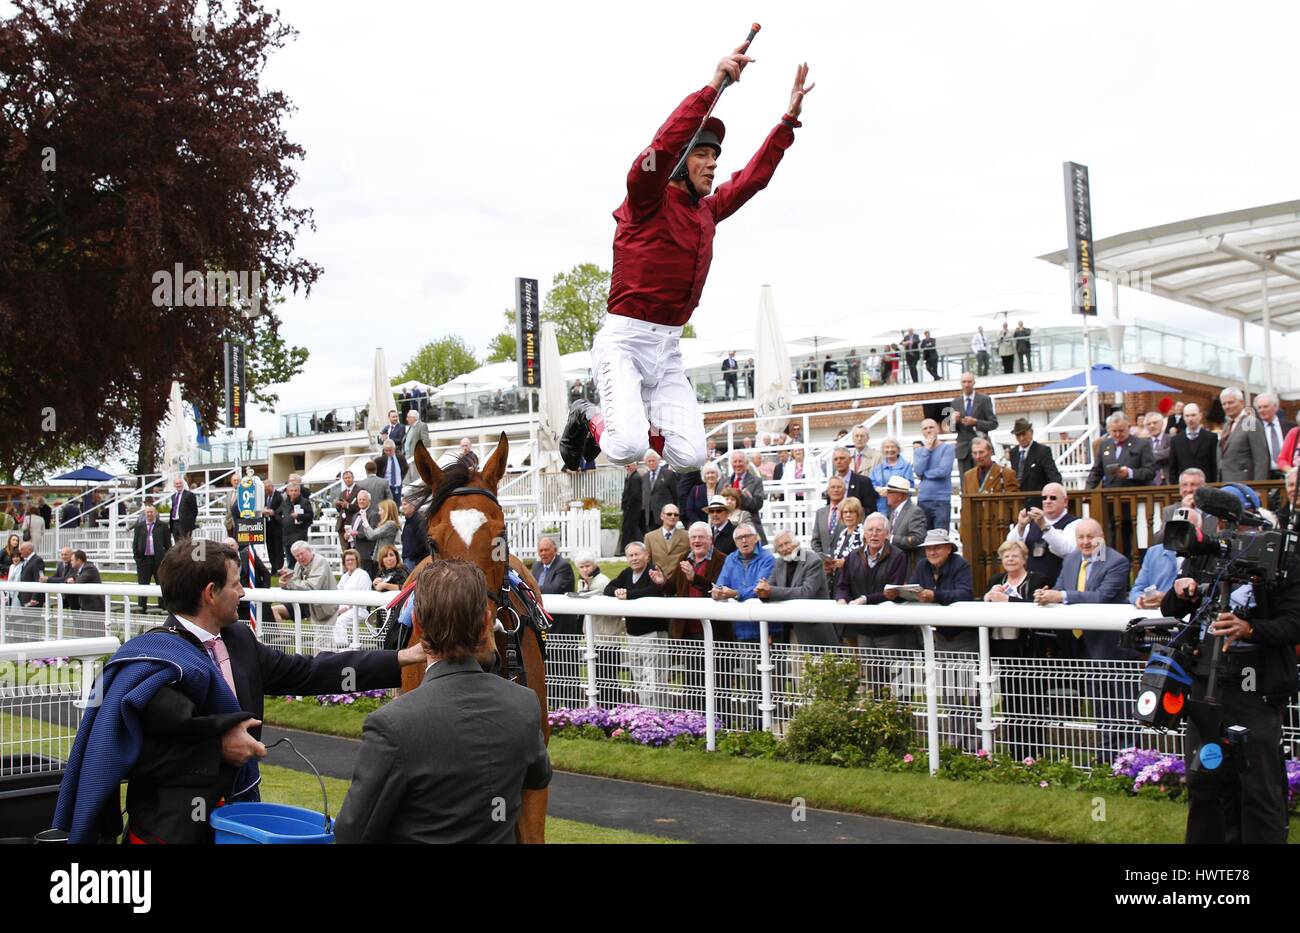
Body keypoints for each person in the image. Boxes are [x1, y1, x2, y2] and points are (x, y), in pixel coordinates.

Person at [53, 541, 426, 844]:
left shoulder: (238, 640)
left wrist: (401, 658)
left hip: (238, 824)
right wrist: (214, 749)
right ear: (211, 593)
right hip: (170, 832)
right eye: (236, 583)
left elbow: (311, 671)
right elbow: (135, 756)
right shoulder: (154, 663)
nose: (243, 591)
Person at [561, 48, 814, 488]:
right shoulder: (645, 198)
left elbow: (753, 178)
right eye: (704, 155)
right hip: (624, 341)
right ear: (680, 160)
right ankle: (588, 413)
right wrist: (716, 84)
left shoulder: (707, 212)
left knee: (691, 456)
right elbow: (662, 143)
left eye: (716, 155)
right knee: (626, 448)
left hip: (668, 351)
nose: (714, 162)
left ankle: (634, 418)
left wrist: (786, 125)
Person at [334, 560, 548, 844]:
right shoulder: (523, 703)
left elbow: (352, 834)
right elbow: (537, 777)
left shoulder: (390, 725)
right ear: (486, 622)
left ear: (419, 626)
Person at [1160, 499, 1300, 844]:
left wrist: (1249, 629)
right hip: (1206, 684)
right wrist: (1180, 592)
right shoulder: (1208, 552)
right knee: (1204, 781)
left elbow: (1294, 624)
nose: (1235, 537)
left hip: (1256, 687)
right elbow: (1171, 608)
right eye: (1228, 528)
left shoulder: (1284, 561)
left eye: (1246, 531)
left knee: (1258, 785)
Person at [605, 542, 668, 707]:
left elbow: (653, 592)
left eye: (637, 554)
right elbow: (608, 588)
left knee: (655, 680)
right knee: (639, 678)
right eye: (630, 555)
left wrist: (628, 594)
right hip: (633, 635)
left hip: (653, 634)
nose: (634, 558)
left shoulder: (653, 571)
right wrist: (617, 592)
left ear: (646, 555)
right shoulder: (626, 573)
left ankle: (658, 717)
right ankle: (645, 717)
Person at [835, 513, 910, 649]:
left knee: (892, 669)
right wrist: (841, 599)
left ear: (887, 534)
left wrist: (865, 599)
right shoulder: (853, 556)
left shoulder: (898, 556)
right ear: (864, 533)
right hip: (862, 627)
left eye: (879, 530)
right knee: (869, 669)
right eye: (870, 530)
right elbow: (842, 585)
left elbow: (893, 591)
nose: (874, 534)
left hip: (889, 629)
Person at [755, 530, 837, 646]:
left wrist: (771, 591)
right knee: (794, 664)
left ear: (796, 543)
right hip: (789, 628)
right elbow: (770, 587)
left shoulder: (813, 560)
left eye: (787, 543)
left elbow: (806, 592)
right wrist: (762, 591)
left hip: (813, 628)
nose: (784, 548)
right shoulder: (779, 563)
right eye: (780, 546)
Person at [900, 529, 974, 649]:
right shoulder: (922, 565)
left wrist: (935, 596)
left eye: (937, 548)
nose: (932, 552)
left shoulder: (961, 564)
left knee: (964, 667)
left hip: (962, 633)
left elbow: (965, 594)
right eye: (928, 549)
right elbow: (912, 589)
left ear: (949, 549)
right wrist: (898, 593)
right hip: (935, 633)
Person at [1006, 482, 1078, 584]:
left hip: (1058, 585)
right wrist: (1020, 526)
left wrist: (1044, 525)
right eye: (1044, 498)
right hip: (1030, 586)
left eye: (1053, 498)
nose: (1047, 501)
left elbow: (1066, 549)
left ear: (1065, 501)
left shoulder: (1075, 523)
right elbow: (1010, 547)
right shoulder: (1030, 523)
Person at [273, 541, 338, 631]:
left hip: (324, 608)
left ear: (309, 551)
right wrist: (285, 582)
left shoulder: (320, 561)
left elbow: (312, 586)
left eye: (301, 554)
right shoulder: (298, 564)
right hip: (308, 605)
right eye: (297, 556)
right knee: (274, 610)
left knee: (322, 641)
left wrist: (290, 582)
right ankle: (284, 639)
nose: (300, 557)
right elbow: (295, 584)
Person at [1086, 412, 1156, 488]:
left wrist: (1130, 473)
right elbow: (1096, 471)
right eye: (1114, 431)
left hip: (1134, 493)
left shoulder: (1142, 444)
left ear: (1129, 427)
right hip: (1110, 494)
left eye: (1121, 431)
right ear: (1109, 430)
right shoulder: (1104, 445)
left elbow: (1150, 472)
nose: (1117, 434)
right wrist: (1087, 491)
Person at [949, 371, 998, 477]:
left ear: (974, 382)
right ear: (960, 383)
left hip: (981, 449)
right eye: (964, 382)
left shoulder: (984, 400)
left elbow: (994, 423)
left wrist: (976, 422)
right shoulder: (955, 403)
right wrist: (954, 421)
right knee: (965, 484)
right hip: (963, 450)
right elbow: (952, 429)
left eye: (969, 382)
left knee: (982, 480)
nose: (966, 385)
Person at [1218, 386, 1269, 482]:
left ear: (1241, 402)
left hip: (1245, 485)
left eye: (1230, 402)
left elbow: (1261, 459)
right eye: (1224, 404)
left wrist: (1259, 488)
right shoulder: (1227, 426)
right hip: (1226, 483)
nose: (1227, 406)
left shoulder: (1251, 422)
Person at [913, 418, 956, 531]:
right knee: (924, 537)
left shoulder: (947, 448)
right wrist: (926, 449)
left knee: (940, 536)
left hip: (941, 500)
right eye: (925, 428)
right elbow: (918, 471)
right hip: (923, 499)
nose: (928, 430)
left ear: (937, 429)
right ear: (922, 432)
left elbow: (943, 471)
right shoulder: (919, 451)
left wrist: (925, 474)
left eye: (931, 427)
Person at [878, 476, 927, 570]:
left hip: (908, 565)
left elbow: (918, 539)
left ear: (900, 496)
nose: (886, 495)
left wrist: (891, 538)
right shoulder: (893, 512)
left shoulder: (915, 512)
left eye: (889, 492)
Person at [132, 505, 171, 614]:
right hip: (144, 561)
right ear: (145, 514)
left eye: (151, 512)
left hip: (159, 561)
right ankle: (141, 608)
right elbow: (135, 544)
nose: (150, 514)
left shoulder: (162, 526)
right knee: (143, 585)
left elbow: (168, 545)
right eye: (148, 512)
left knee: (161, 584)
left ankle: (163, 608)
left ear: (155, 513)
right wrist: (137, 559)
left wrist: (166, 560)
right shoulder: (139, 526)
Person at [1007, 418, 1062, 496]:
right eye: (1018, 435)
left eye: (1024, 434)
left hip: (1037, 500)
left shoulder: (1042, 451)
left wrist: (1056, 495)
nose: (1021, 438)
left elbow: (1053, 476)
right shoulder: (1013, 453)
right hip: (1018, 501)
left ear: (1031, 432)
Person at [823, 496, 866, 594]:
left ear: (858, 514)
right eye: (845, 512)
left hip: (856, 582)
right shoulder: (842, 533)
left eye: (852, 512)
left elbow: (865, 559)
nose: (848, 515)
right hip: (838, 579)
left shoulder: (863, 532)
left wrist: (845, 563)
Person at [723, 448, 766, 542]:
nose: (737, 464)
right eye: (735, 462)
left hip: (749, 525)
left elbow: (758, 504)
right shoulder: (724, 482)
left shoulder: (756, 481)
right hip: (728, 527)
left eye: (740, 461)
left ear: (746, 463)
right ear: (731, 464)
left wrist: (741, 496)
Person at [334, 549, 373, 648]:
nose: (350, 562)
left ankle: (343, 649)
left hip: (359, 610)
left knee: (339, 621)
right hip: (344, 610)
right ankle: (336, 648)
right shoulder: (344, 577)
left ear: (357, 561)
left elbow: (363, 597)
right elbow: (338, 594)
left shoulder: (363, 575)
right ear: (344, 562)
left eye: (352, 559)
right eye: (347, 560)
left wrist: (346, 607)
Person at [1168, 402, 1218, 480]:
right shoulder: (1176, 440)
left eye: (1193, 415)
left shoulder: (1211, 438)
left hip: (1206, 485)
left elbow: (1214, 465)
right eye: (1187, 416)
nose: (1190, 419)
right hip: (1184, 487)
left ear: (1200, 416)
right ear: (1183, 417)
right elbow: (1173, 468)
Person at [866, 439, 914, 513]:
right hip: (882, 507)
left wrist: (892, 491)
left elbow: (909, 486)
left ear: (898, 450)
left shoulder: (906, 466)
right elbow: (870, 485)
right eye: (887, 447)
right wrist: (877, 489)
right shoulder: (877, 468)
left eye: (893, 447)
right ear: (882, 450)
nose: (890, 449)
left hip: (900, 506)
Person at [1253, 391, 1293, 477]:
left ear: (1275, 407)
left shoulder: (1290, 427)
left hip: (1289, 473)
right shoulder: (1254, 430)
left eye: (1265, 407)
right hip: (1266, 475)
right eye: (1259, 408)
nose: (1262, 410)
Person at [358, 499, 400, 578]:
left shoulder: (390, 524)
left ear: (387, 511)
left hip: (385, 558)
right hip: (379, 558)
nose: (379, 513)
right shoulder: (387, 524)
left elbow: (372, 535)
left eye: (381, 510)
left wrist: (365, 520)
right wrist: (365, 524)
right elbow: (370, 535)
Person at [640, 451, 678, 533]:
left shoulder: (668, 474)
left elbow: (675, 495)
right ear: (646, 463)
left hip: (664, 515)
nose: (651, 463)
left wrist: (675, 512)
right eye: (649, 461)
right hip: (650, 516)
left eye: (653, 460)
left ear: (658, 460)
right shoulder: (645, 477)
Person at [68, 549, 105, 614]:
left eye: (72, 560)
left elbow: (79, 581)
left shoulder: (90, 568)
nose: (71, 562)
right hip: (86, 604)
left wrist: (73, 580)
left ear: (79, 560)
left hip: (95, 606)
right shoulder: (77, 569)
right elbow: (67, 578)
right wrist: (71, 578)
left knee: (95, 624)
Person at [334, 470, 361, 552]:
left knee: (354, 551)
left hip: (353, 524)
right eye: (345, 478)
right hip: (342, 525)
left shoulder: (359, 490)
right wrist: (337, 505)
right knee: (345, 551)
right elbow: (340, 510)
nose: (347, 480)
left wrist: (348, 505)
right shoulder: (343, 493)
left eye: (349, 477)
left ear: (353, 478)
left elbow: (360, 507)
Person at [261, 481, 285, 574]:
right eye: (265, 488)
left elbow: (282, 508)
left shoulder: (279, 496)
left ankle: (279, 568)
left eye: (267, 488)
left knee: (278, 548)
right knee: (270, 547)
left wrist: (273, 512)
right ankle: (273, 567)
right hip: (267, 525)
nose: (266, 490)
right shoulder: (265, 497)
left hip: (277, 525)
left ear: (272, 486)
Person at [375, 440, 408, 505]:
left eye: (390, 450)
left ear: (394, 449)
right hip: (386, 487)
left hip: (397, 486)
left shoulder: (400, 458)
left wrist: (400, 478)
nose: (388, 452)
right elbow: (377, 473)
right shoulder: (380, 460)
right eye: (386, 450)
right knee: (387, 506)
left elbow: (405, 468)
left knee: (397, 506)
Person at [166, 476, 198, 544]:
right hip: (174, 524)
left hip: (185, 525)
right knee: (177, 545)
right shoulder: (173, 496)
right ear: (174, 485)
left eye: (180, 483)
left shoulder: (189, 495)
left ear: (183, 484)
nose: (179, 485)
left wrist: (189, 524)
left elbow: (194, 511)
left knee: (186, 545)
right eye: (177, 484)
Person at [401, 409, 431, 481]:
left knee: (416, 478)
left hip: (415, 457)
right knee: (407, 477)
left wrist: (420, 454)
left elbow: (426, 442)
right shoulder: (410, 427)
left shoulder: (422, 425)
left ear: (413, 418)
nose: (406, 419)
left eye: (408, 417)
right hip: (406, 455)